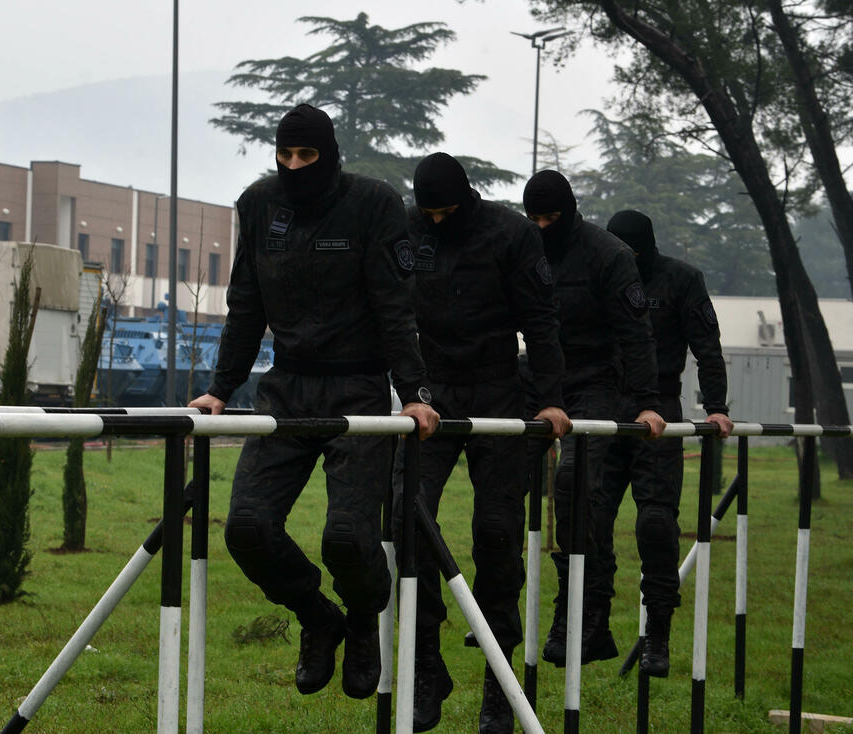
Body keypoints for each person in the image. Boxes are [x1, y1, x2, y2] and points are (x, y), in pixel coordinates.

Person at [189, 104, 440, 700]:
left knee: (348, 540)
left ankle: (361, 623)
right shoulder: (258, 205)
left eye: (307, 155)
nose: (295, 165)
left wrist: (414, 395)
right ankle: (317, 615)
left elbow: (394, 308)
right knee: (246, 529)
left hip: (359, 392)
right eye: (286, 155)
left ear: (328, 154)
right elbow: (245, 305)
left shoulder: (373, 204)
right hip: (285, 390)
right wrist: (220, 389)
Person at [395, 153, 570, 734]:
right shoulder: (408, 228)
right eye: (429, 213)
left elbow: (542, 323)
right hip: (431, 391)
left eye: (446, 211)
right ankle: (427, 665)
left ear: (465, 199)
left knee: (496, 536)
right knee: (404, 516)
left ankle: (500, 688)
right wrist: (403, 386)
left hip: (499, 388)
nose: (437, 222)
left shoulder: (510, 234)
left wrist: (549, 399)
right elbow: (389, 310)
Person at [520, 170, 665, 669]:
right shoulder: (522, 246)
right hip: (537, 376)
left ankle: (582, 606)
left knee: (572, 483)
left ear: (570, 211)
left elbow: (636, 335)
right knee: (500, 471)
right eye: (532, 217)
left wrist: (648, 402)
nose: (541, 226)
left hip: (597, 382)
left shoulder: (609, 255)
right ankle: (499, 609)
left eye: (550, 217)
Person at [599, 209, 733, 677]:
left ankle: (657, 633)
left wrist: (717, 406)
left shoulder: (681, 279)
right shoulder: (596, 271)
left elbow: (708, 345)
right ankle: (589, 620)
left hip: (659, 408)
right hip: (601, 405)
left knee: (656, 524)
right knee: (588, 517)